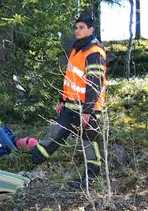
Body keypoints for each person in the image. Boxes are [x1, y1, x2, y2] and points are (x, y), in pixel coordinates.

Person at [30, 15, 107, 189]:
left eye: (82, 27)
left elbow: (94, 83)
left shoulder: (95, 52)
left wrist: (87, 111)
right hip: (70, 106)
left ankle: (90, 181)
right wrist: (62, 100)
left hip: (88, 110)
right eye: (76, 27)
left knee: (89, 145)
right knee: (55, 133)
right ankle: (32, 160)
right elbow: (71, 79)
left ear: (91, 30)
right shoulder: (77, 50)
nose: (77, 30)